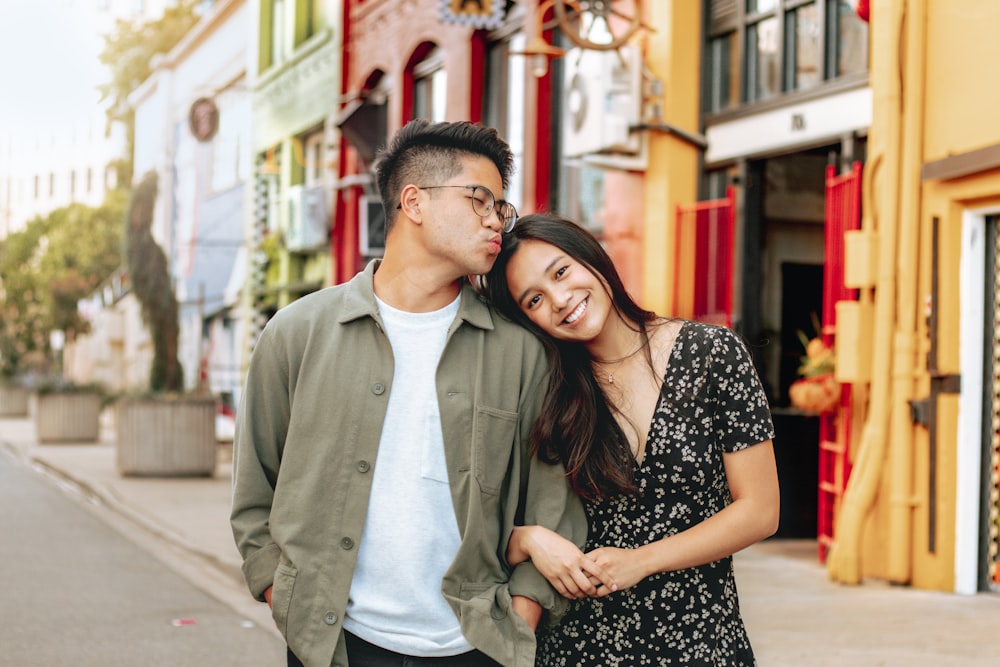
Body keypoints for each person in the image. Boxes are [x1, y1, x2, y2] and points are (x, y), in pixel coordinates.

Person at [230, 121, 588, 667]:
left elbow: (550, 502)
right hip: (337, 646)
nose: (496, 220)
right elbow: (256, 493)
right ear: (414, 202)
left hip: (476, 647)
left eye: (501, 207)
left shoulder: (521, 354)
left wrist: (520, 619)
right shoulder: (297, 333)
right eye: (479, 200)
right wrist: (288, 602)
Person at [482, 213, 780, 666]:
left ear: (591, 258)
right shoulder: (547, 392)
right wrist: (528, 539)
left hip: (701, 642)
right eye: (535, 300)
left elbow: (760, 511)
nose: (560, 300)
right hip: (577, 648)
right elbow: (480, 522)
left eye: (561, 271)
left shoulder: (712, 354)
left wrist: (641, 560)